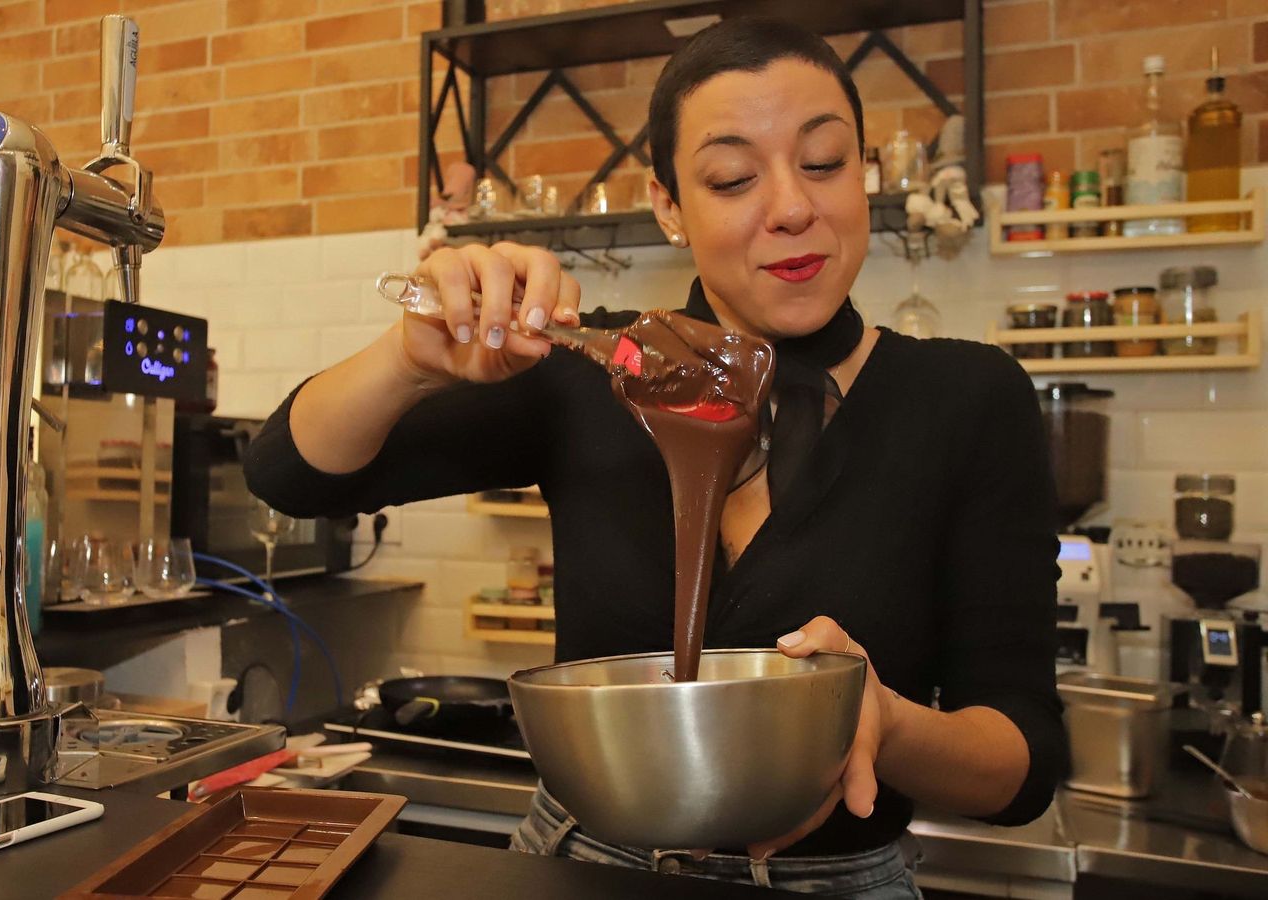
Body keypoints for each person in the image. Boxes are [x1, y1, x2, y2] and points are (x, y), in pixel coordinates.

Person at [245, 17, 1065, 898]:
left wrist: (889, 725)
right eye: (733, 178)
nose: (793, 207)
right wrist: (408, 361)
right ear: (669, 206)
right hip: (581, 867)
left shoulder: (967, 399)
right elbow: (289, 475)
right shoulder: (588, 375)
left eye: (825, 162)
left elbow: (1022, 765)